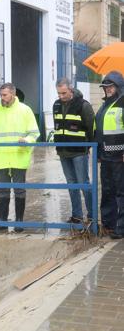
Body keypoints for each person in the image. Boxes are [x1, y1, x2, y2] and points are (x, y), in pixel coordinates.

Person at [0, 83, 39, 233]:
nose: (2, 98)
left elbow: (34, 133)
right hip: (1, 158)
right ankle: (3, 222)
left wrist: (26, 141)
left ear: (13, 94)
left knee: (19, 190)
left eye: (4, 95)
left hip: (19, 156)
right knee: (4, 190)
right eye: (0, 95)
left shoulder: (25, 110)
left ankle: (19, 222)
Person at [52, 78, 95, 224]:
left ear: (71, 89)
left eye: (64, 93)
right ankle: (77, 215)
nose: (61, 96)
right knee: (71, 184)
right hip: (63, 151)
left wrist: (87, 147)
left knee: (83, 183)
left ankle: (92, 216)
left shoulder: (83, 105)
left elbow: (91, 129)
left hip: (79, 152)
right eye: (59, 93)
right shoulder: (56, 105)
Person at [94, 70, 124, 239]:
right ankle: (108, 225)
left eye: (110, 86)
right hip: (105, 157)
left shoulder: (122, 103)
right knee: (107, 191)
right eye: (105, 87)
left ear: (118, 86)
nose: (107, 89)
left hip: (120, 157)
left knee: (121, 193)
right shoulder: (104, 106)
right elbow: (99, 132)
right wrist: (98, 152)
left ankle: (121, 227)